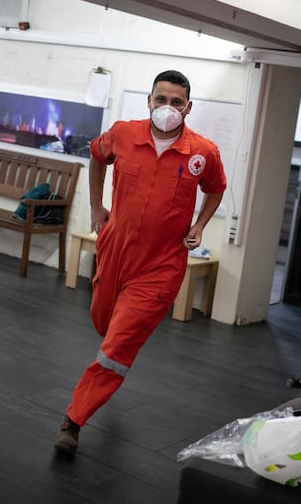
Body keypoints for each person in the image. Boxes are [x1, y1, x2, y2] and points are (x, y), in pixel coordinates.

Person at [55, 70, 227, 454]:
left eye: (177, 102)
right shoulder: (123, 134)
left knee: (116, 346)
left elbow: (216, 189)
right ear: (149, 100)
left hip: (162, 264)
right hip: (116, 248)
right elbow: (97, 157)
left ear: (188, 107)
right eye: (161, 99)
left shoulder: (203, 153)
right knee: (104, 322)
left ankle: (73, 420)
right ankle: (109, 356)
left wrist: (199, 225)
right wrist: (97, 206)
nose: (168, 108)